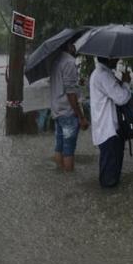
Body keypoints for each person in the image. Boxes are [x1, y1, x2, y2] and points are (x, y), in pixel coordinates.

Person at [89, 56, 132, 188]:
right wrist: (125, 83)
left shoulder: (101, 73)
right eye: (115, 57)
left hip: (105, 126)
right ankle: (109, 192)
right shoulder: (103, 75)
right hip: (108, 128)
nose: (118, 59)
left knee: (110, 163)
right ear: (109, 58)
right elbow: (121, 98)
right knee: (110, 171)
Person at [50, 42, 89, 171]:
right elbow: (70, 93)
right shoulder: (70, 62)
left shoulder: (56, 60)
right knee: (69, 149)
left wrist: (77, 82)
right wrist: (81, 116)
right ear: (69, 46)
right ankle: (69, 177)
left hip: (57, 110)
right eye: (74, 45)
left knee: (59, 146)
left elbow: (65, 85)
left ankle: (61, 178)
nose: (76, 47)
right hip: (68, 112)